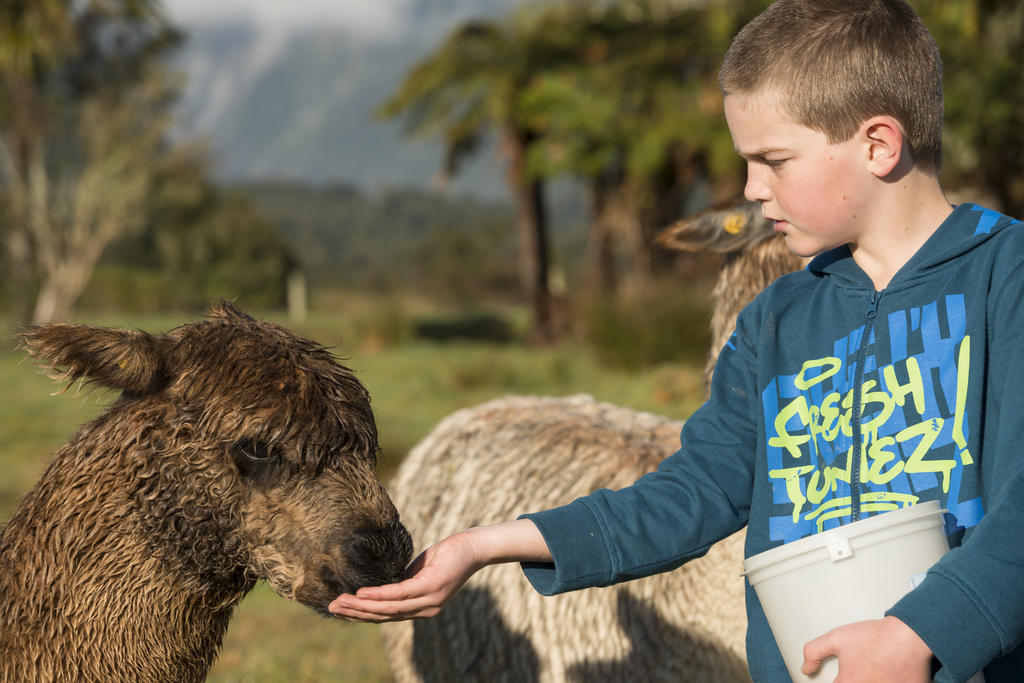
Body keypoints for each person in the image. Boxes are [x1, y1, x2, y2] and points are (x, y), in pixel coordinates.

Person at [330, 1, 1024, 680]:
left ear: (878, 144)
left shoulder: (1008, 279)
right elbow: (695, 489)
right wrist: (486, 544)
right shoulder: (776, 319)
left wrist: (920, 634)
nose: (751, 187)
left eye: (773, 160)